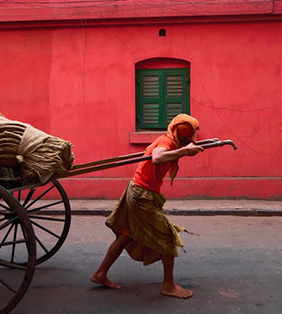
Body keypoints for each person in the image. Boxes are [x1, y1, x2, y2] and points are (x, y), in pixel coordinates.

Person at [91, 114, 216, 299]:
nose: (188, 141)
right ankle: (168, 285)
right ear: (178, 134)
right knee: (168, 235)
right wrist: (184, 152)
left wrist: (204, 145)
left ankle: (100, 273)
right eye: (186, 138)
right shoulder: (167, 143)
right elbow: (157, 158)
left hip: (137, 190)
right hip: (142, 195)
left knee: (127, 234)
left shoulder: (171, 141)